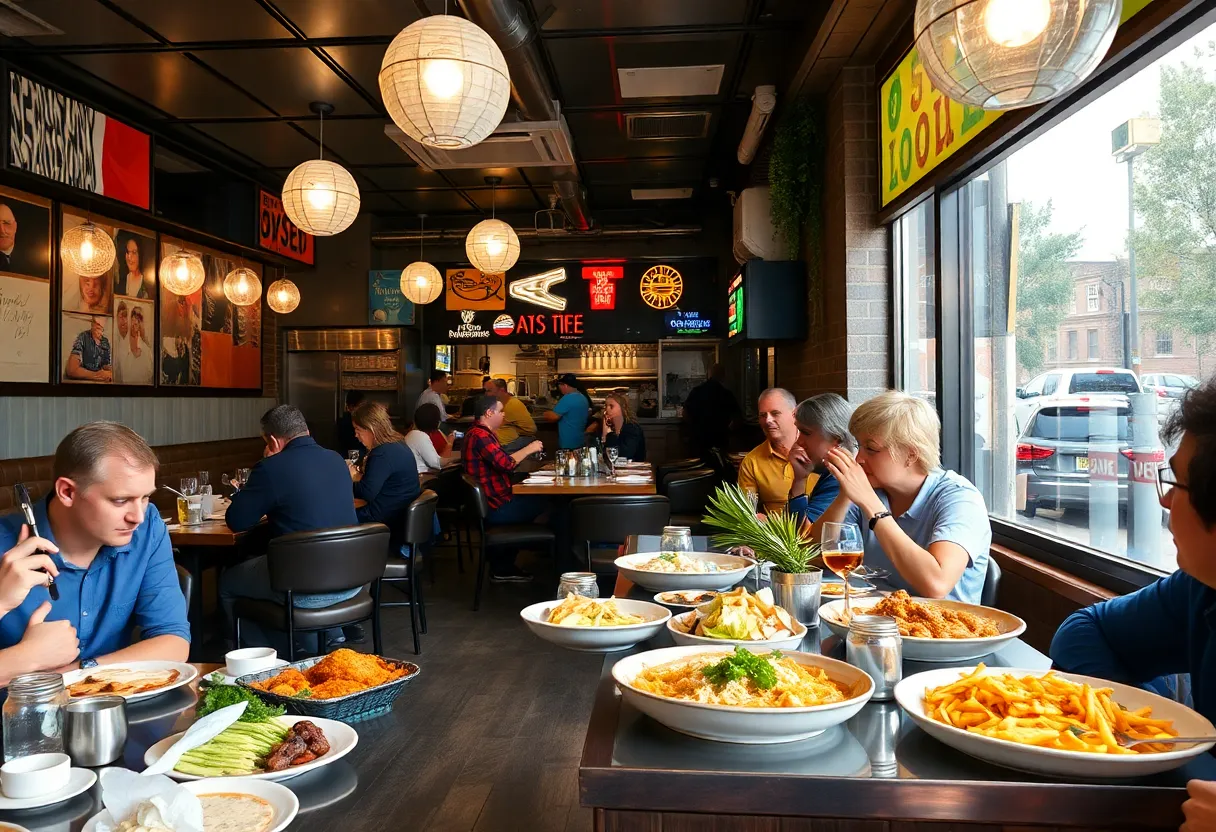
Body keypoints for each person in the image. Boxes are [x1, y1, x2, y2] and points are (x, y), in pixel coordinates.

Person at [1050, 379, 1216, 824]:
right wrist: (1136, 733)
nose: (1163, 498)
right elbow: (1085, 630)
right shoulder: (1200, 588)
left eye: (1176, 483)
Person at [0, 422, 191, 671]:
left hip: (114, 703)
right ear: (67, 491)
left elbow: (173, 641)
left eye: (145, 498)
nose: (138, 517)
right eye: (120, 500)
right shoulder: (5, 543)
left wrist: (78, 672)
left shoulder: (147, 527)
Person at [803, 391, 991, 603]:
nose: (859, 458)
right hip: (877, 623)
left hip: (942, 630)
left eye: (871, 449)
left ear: (911, 454)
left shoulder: (960, 498)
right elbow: (808, 556)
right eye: (859, 446)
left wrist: (872, 506)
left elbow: (936, 585)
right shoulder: (876, 490)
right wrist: (846, 495)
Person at [221, 405, 362, 649]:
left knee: (227, 583)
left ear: (273, 440)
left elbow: (238, 520)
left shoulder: (271, 468)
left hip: (304, 588)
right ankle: (318, 637)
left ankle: (266, 655)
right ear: (306, 431)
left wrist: (268, 462)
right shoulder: (337, 460)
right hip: (351, 578)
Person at [462, 395, 545, 582]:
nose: (504, 414)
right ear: (489, 413)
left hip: (492, 503)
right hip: (496, 507)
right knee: (555, 503)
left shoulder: (477, 433)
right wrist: (530, 448)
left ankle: (505, 562)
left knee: (543, 502)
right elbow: (505, 464)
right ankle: (558, 560)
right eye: (500, 411)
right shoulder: (480, 435)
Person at [349, 402, 421, 558]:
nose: (356, 435)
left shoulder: (381, 453)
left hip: (385, 521)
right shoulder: (398, 444)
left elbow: (366, 493)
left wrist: (349, 478)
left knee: (335, 516)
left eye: (358, 430)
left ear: (371, 429)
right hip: (401, 517)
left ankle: (351, 573)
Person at [786, 393, 856, 525]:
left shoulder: (839, 478)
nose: (799, 441)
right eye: (799, 432)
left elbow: (803, 539)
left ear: (836, 439)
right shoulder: (829, 471)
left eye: (806, 433)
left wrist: (799, 482)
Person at [738, 388, 800, 515]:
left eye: (775, 413)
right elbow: (746, 512)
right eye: (763, 415)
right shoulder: (752, 461)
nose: (768, 420)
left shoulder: (816, 451)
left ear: (795, 414)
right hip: (772, 532)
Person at [683, 364, 740, 460]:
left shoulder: (697, 391)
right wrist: (727, 430)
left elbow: (685, 414)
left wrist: (693, 428)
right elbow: (737, 419)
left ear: (708, 375)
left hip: (698, 440)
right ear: (723, 376)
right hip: (719, 440)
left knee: (697, 469)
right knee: (719, 468)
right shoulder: (726, 394)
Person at [542, 373, 590, 450]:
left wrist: (544, 413)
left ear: (565, 385)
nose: (559, 388)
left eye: (560, 386)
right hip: (580, 440)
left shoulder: (568, 398)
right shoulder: (582, 397)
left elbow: (553, 417)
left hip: (568, 443)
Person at [492, 378, 537, 453]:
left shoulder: (511, 404)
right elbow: (531, 430)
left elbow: (531, 430)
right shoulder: (505, 403)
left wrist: (514, 429)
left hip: (500, 445)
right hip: (501, 445)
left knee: (532, 439)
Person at [405, 403, 450, 475]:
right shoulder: (420, 436)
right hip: (422, 479)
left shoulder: (411, 434)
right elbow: (436, 463)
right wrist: (457, 458)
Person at [65, 316, 113, 382]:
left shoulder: (105, 341)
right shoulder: (83, 337)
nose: (99, 328)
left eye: (102, 326)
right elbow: (71, 370)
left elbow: (105, 364)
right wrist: (96, 375)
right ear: (92, 324)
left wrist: (110, 372)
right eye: (97, 324)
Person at [114, 304, 152, 385]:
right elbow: (119, 370)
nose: (135, 323)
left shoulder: (145, 347)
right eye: (133, 319)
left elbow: (149, 373)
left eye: (138, 320)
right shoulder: (123, 344)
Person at [602, 393, 645, 462]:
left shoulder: (632, 428)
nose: (607, 410)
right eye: (605, 406)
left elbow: (626, 454)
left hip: (633, 470)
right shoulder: (611, 431)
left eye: (611, 406)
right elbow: (606, 456)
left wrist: (611, 433)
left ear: (623, 408)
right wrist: (606, 434)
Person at [114, 234, 152, 298]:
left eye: (134, 252)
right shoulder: (122, 282)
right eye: (127, 252)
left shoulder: (147, 283)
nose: (129, 257)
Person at [336, 391, 365, 458]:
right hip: (352, 454)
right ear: (351, 406)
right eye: (361, 405)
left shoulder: (347, 419)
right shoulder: (348, 421)